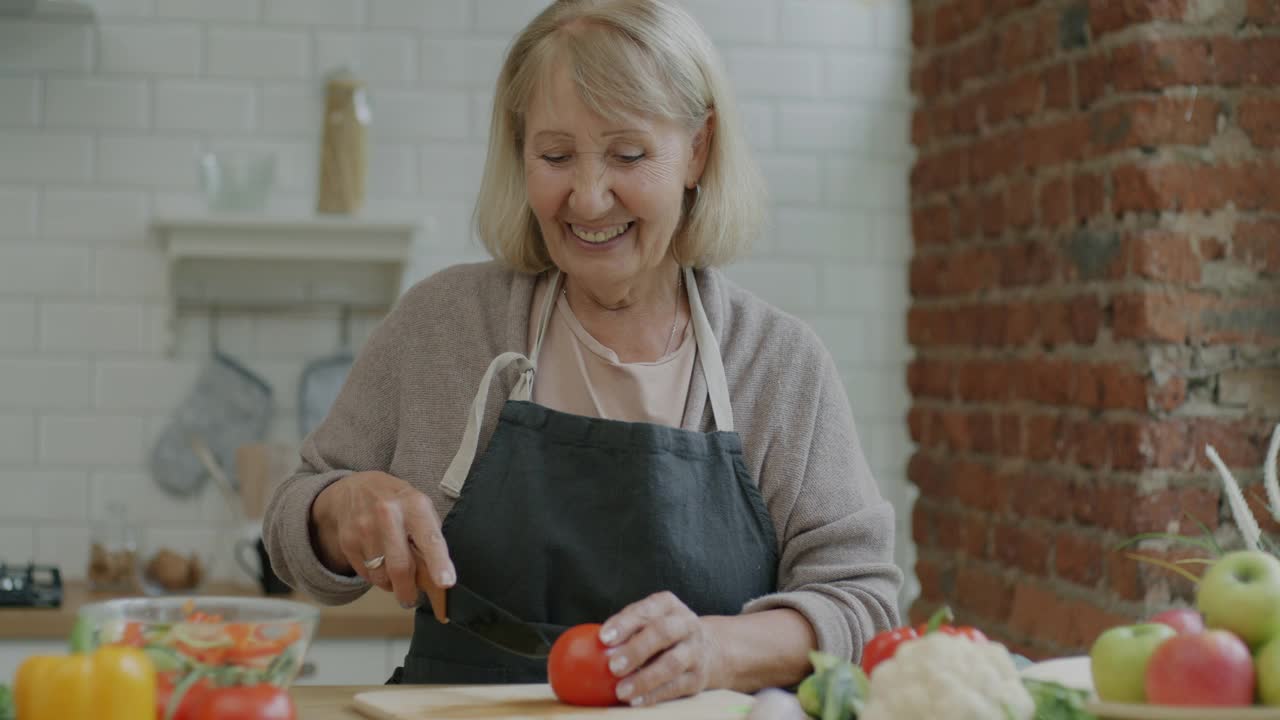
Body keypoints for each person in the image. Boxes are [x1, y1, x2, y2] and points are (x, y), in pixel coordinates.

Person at [263, 0, 901, 704]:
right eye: (556, 155)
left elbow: (862, 602)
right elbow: (293, 528)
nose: (590, 198)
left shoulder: (779, 365)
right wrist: (338, 507)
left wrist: (719, 651)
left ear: (698, 150)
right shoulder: (443, 325)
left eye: (628, 154)